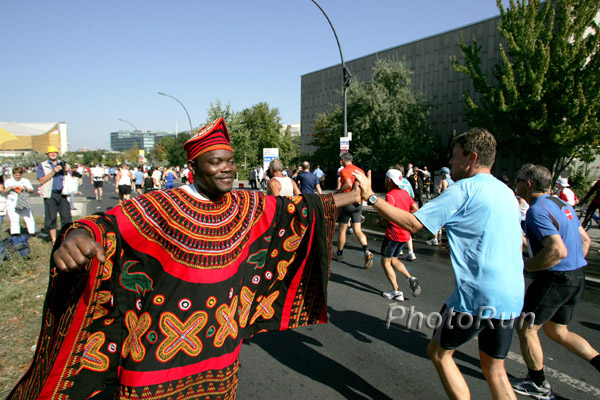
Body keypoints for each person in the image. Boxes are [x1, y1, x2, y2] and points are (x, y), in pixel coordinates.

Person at [8, 118, 360, 400]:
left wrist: (353, 196)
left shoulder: (244, 204)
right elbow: (105, 226)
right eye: (216, 162)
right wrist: (75, 236)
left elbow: (295, 210)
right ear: (194, 167)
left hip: (220, 361)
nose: (226, 169)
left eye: (231, 161)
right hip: (154, 362)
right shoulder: (159, 205)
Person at [353, 128, 524, 399]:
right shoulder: (507, 193)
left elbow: (413, 224)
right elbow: (515, 241)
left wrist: (371, 197)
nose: (451, 163)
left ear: (472, 158)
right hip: (512, 294)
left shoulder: (463, 190)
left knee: (439, 353)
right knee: (496, 371)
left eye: (455, 157)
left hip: (477, 296)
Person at [511, 164, 598, 399]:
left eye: (518, 180)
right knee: (558, 331)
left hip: (555, 278)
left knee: (525, 327)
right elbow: (585, 240)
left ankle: (537, 383)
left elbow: (557, 250)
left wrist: (525, 267)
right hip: (577, 276)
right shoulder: (562, 204)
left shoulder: (536, 210)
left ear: (528, 184)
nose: (515, 184)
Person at [379, 168, 421, 301]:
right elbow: (415, 208)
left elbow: (388, 213)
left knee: (385, 261)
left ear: (389, 180)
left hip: (393, 233)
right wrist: (406, 218)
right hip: (404, 234)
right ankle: (410, 278)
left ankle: (396, 291)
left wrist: (379, 220)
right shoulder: (405, 193)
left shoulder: (390, 195)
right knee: (394, 260)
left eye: (386, 179)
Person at [333, 152, 374, 269]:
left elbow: (347, 184)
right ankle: (366, 250)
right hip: (359, 203)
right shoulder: (359, 170)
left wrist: (338, 192)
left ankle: (339, 254)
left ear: (343, 160)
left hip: (348, 202)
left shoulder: (344, 170)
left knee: (342, 230)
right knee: (357, 230)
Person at [37, 145, 72, 245]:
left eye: (55, 152)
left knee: (66, 216)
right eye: (51, 152)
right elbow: (41, 180)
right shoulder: (43, 165)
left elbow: (68, 176)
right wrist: (54, 171)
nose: (53, 154)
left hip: (62, 193)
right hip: (50, 194)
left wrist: (65, 170)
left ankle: (66, 237)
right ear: (47, 154)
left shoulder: (62, 164)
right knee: (51, 217)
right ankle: (54, 240)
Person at [4, 167, 36, 236]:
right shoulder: (8, 181)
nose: (18, 177)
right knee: (14, 217)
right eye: (16, 175)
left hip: (23, 200)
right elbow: (4, 191)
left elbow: (32, 190)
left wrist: (26, 188)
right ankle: (15, 233)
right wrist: (10, 188)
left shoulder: (25, 180)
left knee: (28, 216)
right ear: (13, 174)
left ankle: (33, 231)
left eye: (19, 175)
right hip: (12, 200)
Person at [426, 167, 453, 246]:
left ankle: (435, 239)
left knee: (437, 220)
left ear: (442, 174)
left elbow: (444, 193)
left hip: (445, 204)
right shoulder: (453, 182)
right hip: (453, 205)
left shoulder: (444, 181)